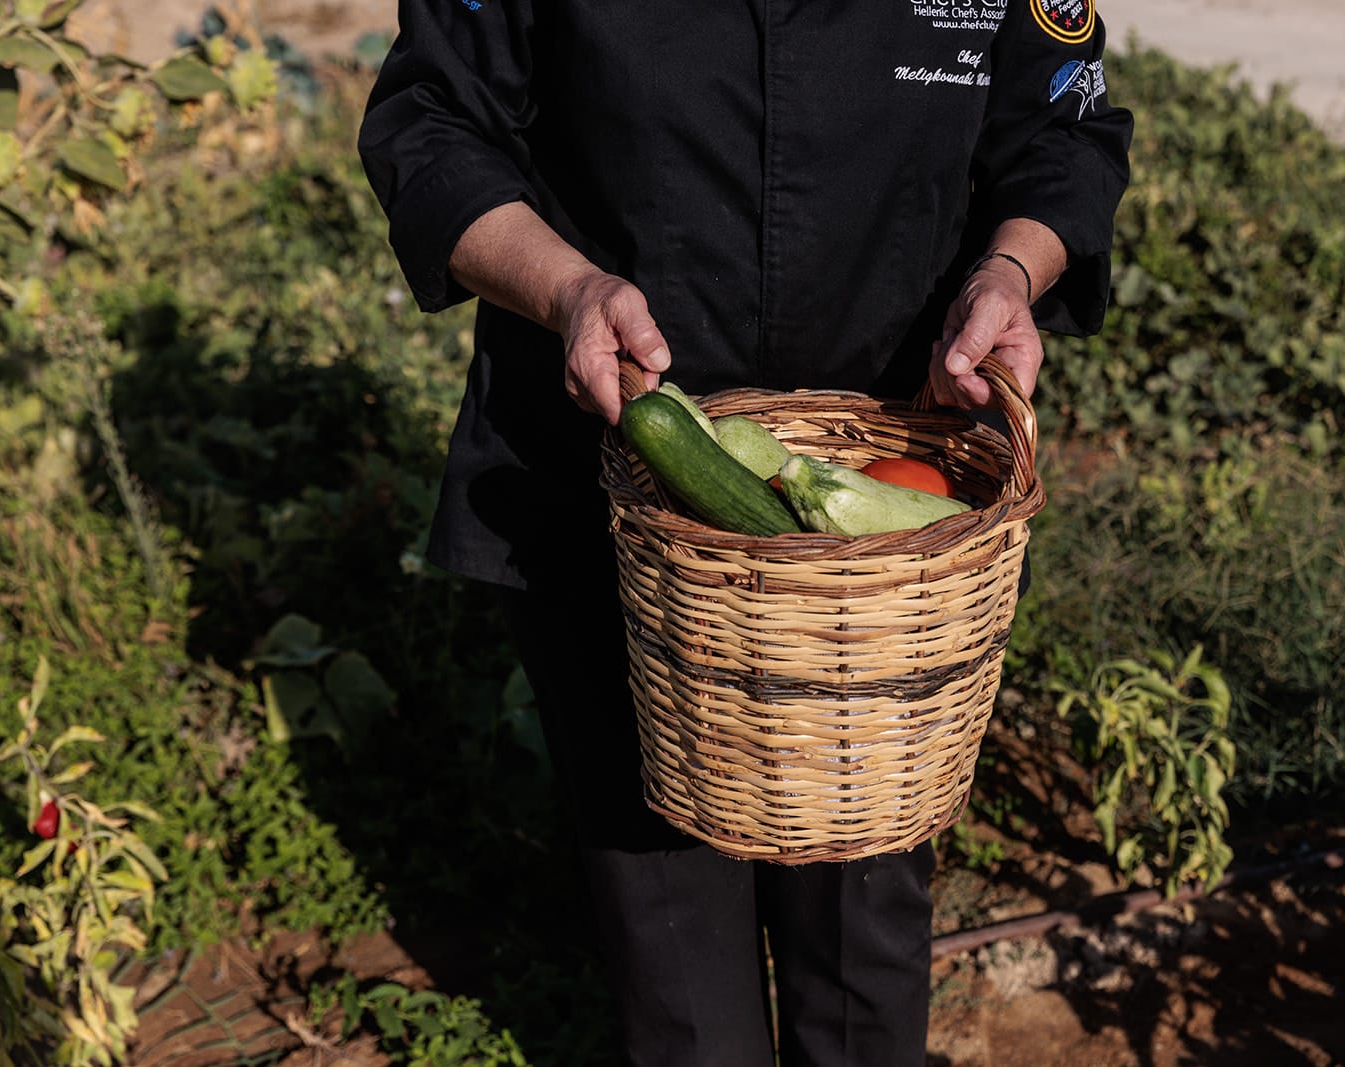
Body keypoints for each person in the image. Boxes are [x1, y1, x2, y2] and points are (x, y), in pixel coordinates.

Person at [358, 2, 1132, 1063]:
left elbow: (1061, 127)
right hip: (609, 477)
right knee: (670, 938)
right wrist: (572, 289)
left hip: (884, 510)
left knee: (866, 929)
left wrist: (1009, 273)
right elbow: (431, 119)